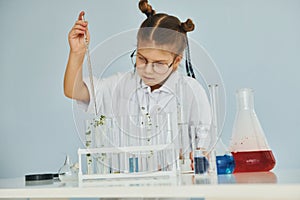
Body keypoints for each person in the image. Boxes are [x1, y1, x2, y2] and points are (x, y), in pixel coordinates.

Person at [64, 0, 211, 171]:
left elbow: (204, 146)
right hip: (126, 191)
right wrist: (77, 53)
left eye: (159, 63)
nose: (148, 70)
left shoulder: (191, 91)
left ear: (176, 61)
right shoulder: (120, 85)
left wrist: (200, 156)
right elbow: (73, 91)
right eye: (142, 59)